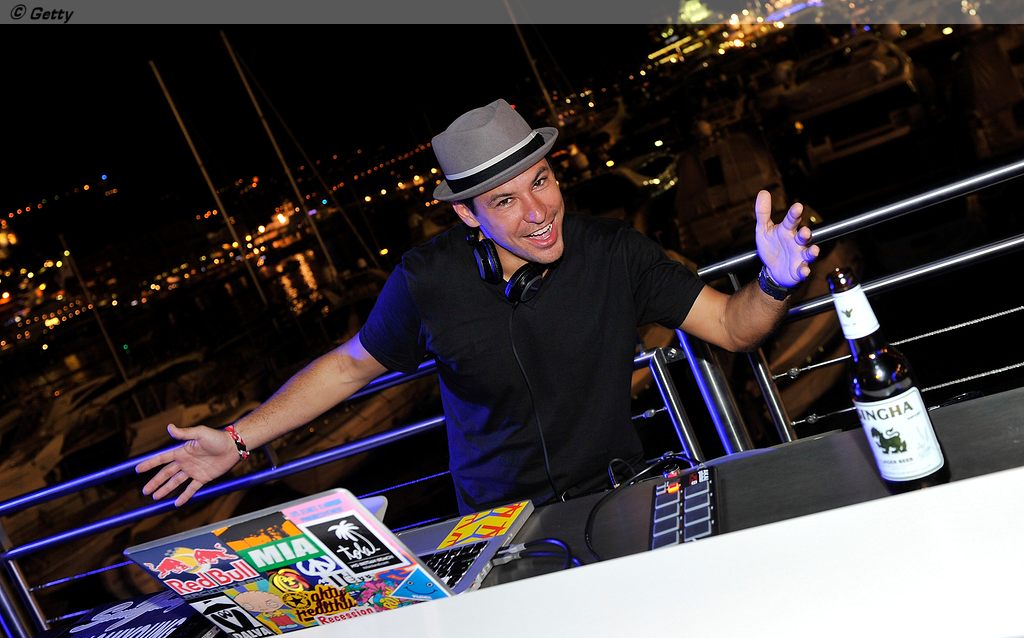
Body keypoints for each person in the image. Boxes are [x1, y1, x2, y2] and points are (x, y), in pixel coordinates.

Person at [137, 99, 819, 514]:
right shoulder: (428, 280)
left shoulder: (614, 251)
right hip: (493, 529)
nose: (539, 211)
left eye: (541, 181)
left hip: (617, 497)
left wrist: (775, 280)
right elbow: (348, 367)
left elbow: (732, 327)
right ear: (468, 214)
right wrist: (236, 439)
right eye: (505, 200)